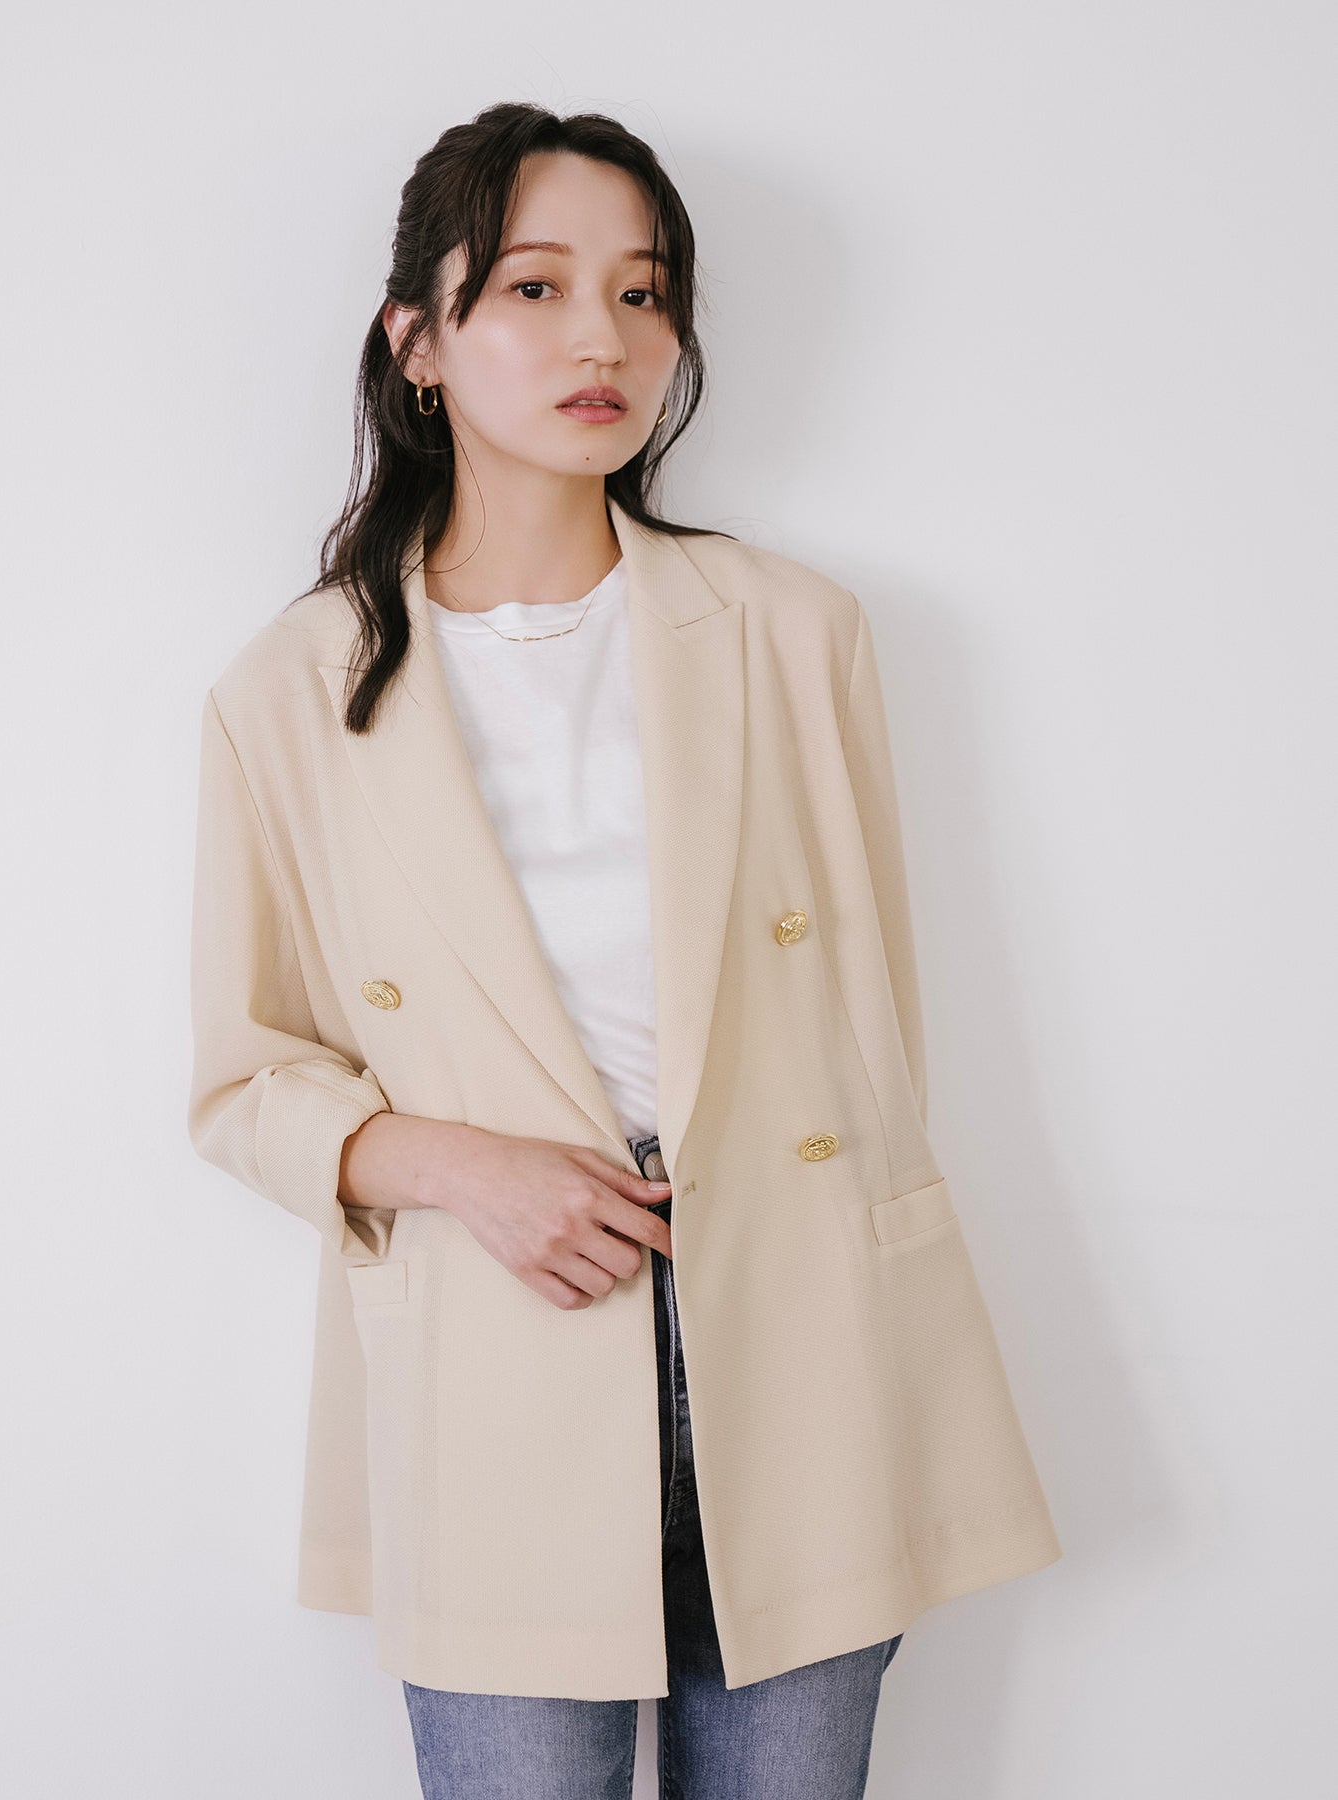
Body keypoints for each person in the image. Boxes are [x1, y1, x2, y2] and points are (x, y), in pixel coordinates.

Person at [188, 101, 1061, 1799]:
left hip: (795, 1334)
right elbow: (243, 1080)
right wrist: (463, 1166)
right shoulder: (292, 691)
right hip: (502, 1338)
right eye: (534, 286)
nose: (604, 338)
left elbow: (874, 1031)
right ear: (417, 342)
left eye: (644, 293)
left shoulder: (792, 631)